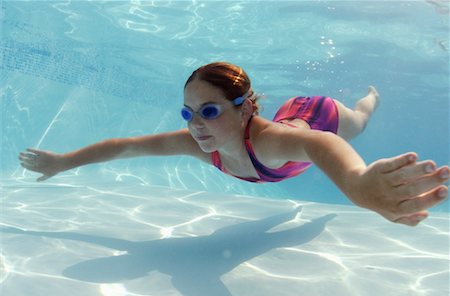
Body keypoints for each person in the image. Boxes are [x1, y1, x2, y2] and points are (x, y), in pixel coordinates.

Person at [19, 62, 449, 226]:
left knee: (360, 120)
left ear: (243, 110)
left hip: (321, 114)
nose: (196, 125)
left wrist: (356, 182)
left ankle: (370, 96)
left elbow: (320, 144)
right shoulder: (199, 143)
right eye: (188, 113)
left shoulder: (269, 143)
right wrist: (63, 162)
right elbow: (125, 145)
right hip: (290, 111)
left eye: (208, 111)